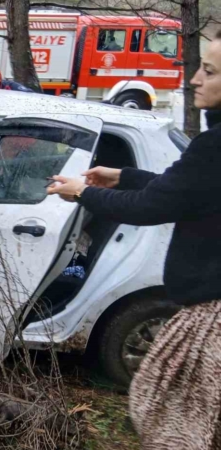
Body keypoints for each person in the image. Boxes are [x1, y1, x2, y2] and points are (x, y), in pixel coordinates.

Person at [47, 30, 221, 449]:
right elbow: (189, 190)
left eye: (210, 71)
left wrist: (83, 193)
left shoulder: (215, 146)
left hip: (212, 318)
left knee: (173, 420)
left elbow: (152, 207)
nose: (194, 79)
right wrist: (124, 176)